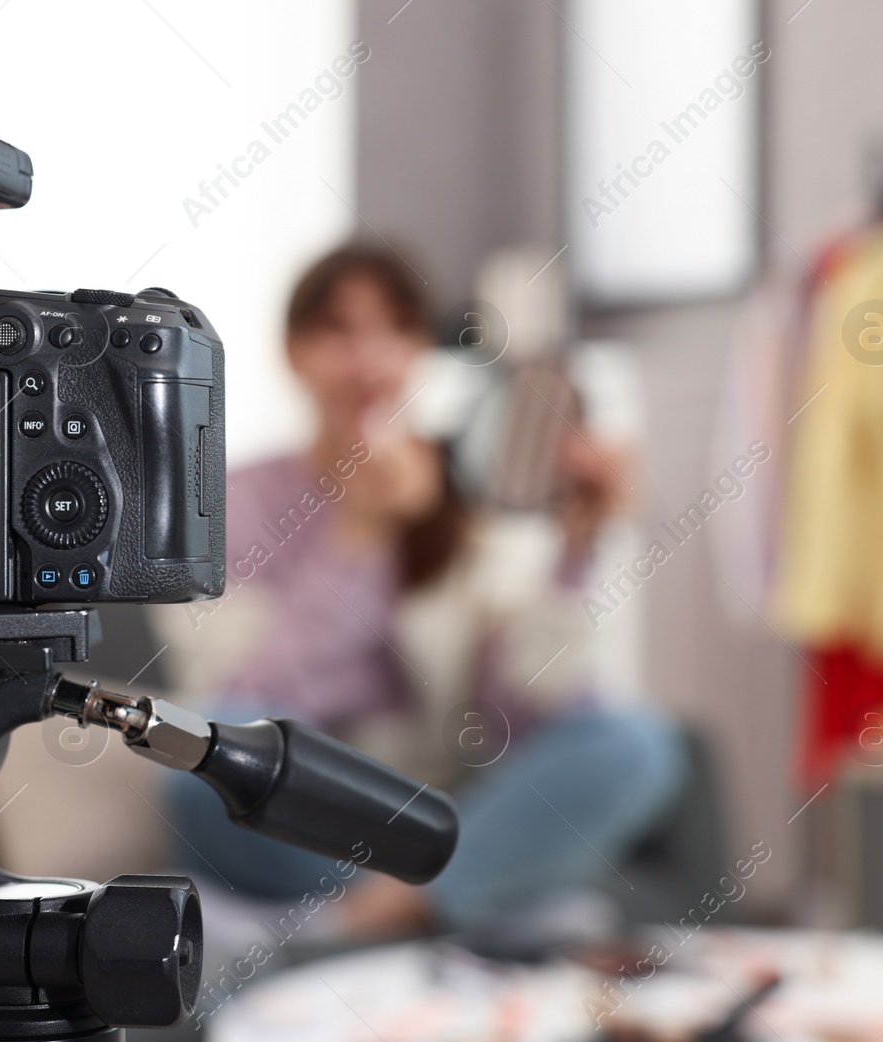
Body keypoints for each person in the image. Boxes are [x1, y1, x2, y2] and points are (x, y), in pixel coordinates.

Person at [159, 245, 686, 942]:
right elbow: (246, 702)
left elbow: (516, 712)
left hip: (437, 804)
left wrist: (578, 550)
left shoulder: (459, 498)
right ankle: (474, 884)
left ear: (420, 352)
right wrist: (363, 533)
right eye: (339, 332)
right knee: (196, 771)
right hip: (303, 814)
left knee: (638, 743)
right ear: (293, 352)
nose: (368, 360)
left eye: (394, 330)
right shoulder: (225, 502)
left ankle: (392, 910)